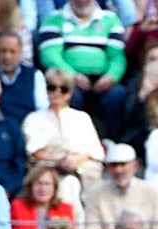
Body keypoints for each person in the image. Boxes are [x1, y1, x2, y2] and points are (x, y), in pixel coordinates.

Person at [36, 0, 128, 135]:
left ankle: (111, 141)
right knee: (66, 94)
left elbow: (118, 57)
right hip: (68, 79)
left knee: (118, 95)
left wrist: (111, 76)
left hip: (102, 79)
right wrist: (72, 75)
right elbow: (49, 55)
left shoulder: (111, 19)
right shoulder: (54, 18)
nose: (82, 1)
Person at [20, 67, 105, 204]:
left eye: (63, 89)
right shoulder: (34, 118)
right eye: (52, 87)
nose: (57, 92)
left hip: (80, 165)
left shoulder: (82, 117)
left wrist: (75, 160)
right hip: (48, 165)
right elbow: (33, 152)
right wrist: (58, 160)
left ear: (70, 93)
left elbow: (95, 151)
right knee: (66, 185)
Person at [83, 142, 158, 229]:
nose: (118, 170)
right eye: (113, 165)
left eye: (123, 164)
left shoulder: (151, 192)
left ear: (135, 166)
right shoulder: (96, 193)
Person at [0, 32, 46, 126]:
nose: (7, 56)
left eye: (12, 51)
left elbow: (42, 111)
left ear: (21, 52)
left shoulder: (35, 76)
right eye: (2, 51)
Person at [7, 164, 77, 229]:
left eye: (47, 184)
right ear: (30, 186)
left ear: (55, 187)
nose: (43, 189)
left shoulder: (65, 209)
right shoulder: (18, 206)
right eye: (39, 183)